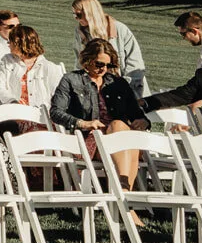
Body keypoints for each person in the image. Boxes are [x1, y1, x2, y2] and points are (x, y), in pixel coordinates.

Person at [50, 38, 149, 201]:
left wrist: (143, 121)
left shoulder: (118, 83)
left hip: (119, 138)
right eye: (99, 64)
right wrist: (83, 123)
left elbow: (136, 114)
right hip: (90, 138)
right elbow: (55, 112)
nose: (104, 69)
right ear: (87, 60)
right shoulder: (71, 80)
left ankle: (123, 195)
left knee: (120, 127)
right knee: (123, 133)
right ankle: (126, 199)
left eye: (108, 65)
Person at [71, 0, 148, 95]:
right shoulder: (80, 34)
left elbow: (135, 65)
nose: (76, 18)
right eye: (74, 15)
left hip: (129, 91)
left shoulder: (120, 29)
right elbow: (79, 64)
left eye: (79, 15)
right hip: (97, 92)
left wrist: (123, 89)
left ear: (90, 13)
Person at [0, 24, 63, 124]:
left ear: (20, 43)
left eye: (10, 42)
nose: (8, 44)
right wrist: (12, 102)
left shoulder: (49, 68)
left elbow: (57, 96)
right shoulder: (7, 60)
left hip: (40, 117)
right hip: (12, 113)